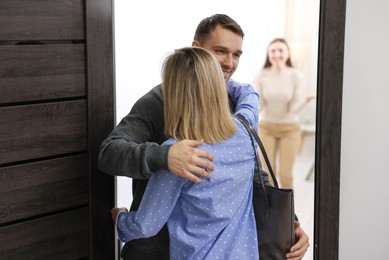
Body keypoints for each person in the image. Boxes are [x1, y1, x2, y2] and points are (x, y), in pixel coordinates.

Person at [99, 14, 309, 259]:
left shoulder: (235, 108)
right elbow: (109, 153)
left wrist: (289, 225)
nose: (229, 63)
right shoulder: (157, 103)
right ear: (196, 50)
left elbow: (254, 174)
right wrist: (164, 156)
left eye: (236, 54)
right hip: (155, 251)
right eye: (220, 51)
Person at [113, 46, 260, 259]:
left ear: (173, 94)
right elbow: (249, 95)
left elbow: (146, 226)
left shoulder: (178, 154)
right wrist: (220, 80)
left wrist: (120, 218)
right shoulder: (245, 132)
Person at [252, 38, 316, 189]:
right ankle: (271, 210)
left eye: (281, 50)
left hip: (290, 129)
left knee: (286, 175)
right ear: (268, 54)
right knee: (268, 173)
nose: (277, 54)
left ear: (287, 54)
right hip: (267, 127)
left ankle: (287, 210)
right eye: (273, 51)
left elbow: (293, 109)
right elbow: (259, 106)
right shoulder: (261, 75)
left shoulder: (296, 76)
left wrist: (307, 99)